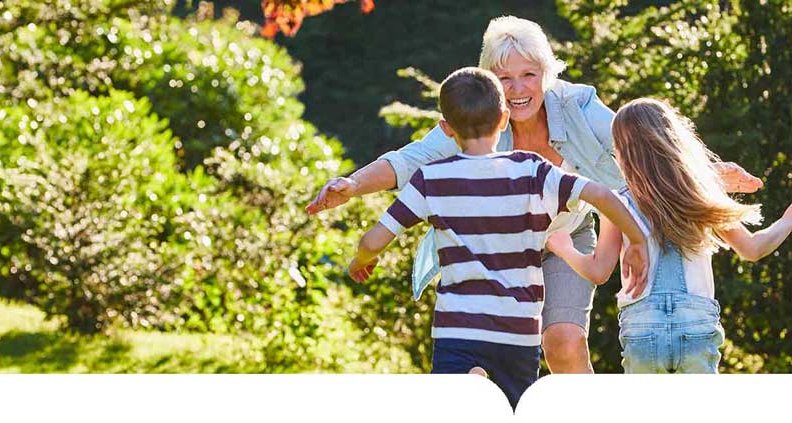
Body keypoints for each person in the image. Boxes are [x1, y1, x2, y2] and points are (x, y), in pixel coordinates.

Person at [306, 16, 762, 373]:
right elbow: (410, 160)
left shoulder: (579, 106)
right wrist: (351, 185)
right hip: (498, 245)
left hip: (567, 237)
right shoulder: (478, 116)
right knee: (487, 356)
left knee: (562, 341)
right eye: (505, 78)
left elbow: (644, 148)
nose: (519, 89)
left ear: (548, 72)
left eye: (530, 74)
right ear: (488, 81)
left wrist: (708, 172)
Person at [346, 67, 649, 405]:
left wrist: (361, 261)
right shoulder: (533, 172)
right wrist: (635, 240)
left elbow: (372, 241)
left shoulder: (431, 180)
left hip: (457, 330)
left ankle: (472, 382)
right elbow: (603, 195)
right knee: (514, 407)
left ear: (446, 129)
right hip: (517, 332)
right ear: (504, 119)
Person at [545, 98, 792, 373]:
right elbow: (753, 249)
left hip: (643, 328)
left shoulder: (617, 203)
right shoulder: (697, 196)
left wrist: (564, 247)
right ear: (674, 140)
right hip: (696, 325)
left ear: (620, 152)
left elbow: (598, 271)